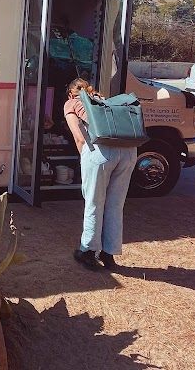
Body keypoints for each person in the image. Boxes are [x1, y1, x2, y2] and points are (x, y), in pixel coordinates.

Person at [64, 78, 137, 271]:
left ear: (71, 93)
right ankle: (109, 253)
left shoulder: (72, 103)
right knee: (115, 204)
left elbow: (79, 139)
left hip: (101, 152)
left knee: (94, 203)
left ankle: (87, 252)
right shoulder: (103, 99)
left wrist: (86, 160)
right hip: (128, 151)